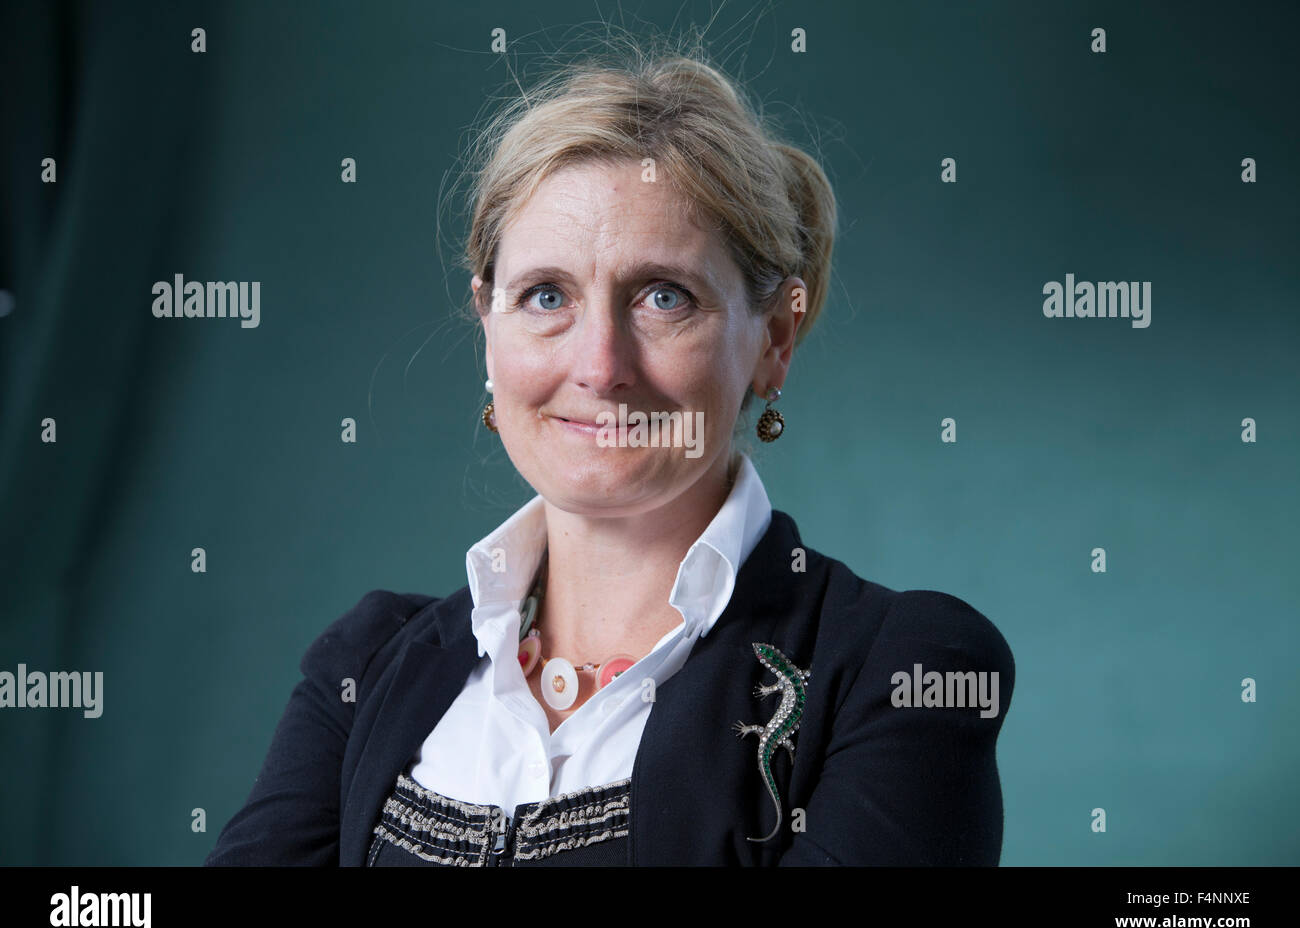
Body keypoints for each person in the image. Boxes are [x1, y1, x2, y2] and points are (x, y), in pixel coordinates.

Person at [205, 46, 1014, 867]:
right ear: (488, 327)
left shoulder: (897, 672)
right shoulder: (369, 663)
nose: (598, 366)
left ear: (774, 340)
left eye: (665, 297)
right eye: (546, 297)